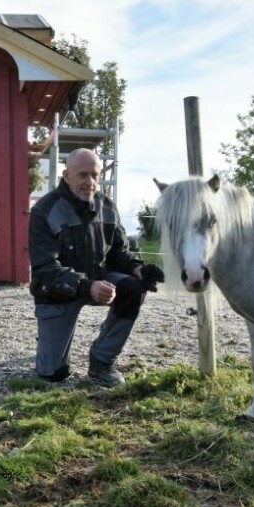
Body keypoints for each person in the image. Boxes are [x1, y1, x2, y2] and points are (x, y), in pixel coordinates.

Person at [28, 148, 164, 386]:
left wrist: (137, 269)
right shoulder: (44, 211)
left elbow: (119, 252)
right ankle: (51, 349)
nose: (89, 182)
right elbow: (44, 269)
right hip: (56, 292)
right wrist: (85, 286)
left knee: (133, 287)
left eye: (95, 175)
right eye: (83, 175)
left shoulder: (107, 206)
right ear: (66, 175)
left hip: (98, 279)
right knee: (52, 375)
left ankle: (102, 361)